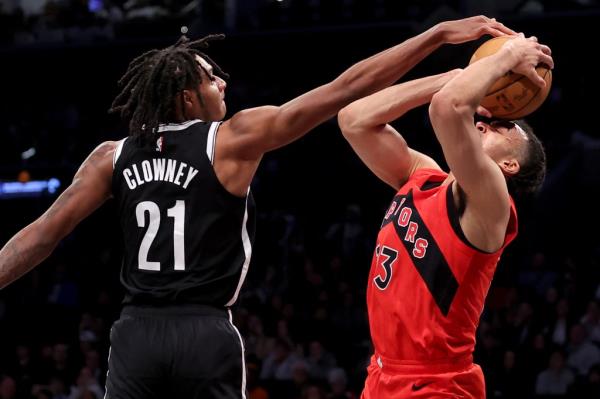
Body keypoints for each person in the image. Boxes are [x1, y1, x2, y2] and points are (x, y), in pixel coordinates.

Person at [0, 16, 515, 399]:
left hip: (136, 333)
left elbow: (40, 236)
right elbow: (346, 90)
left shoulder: (110, 156)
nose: (223, 83)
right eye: (209, 77)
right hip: (205, 331)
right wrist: (435, 36)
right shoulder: (230, 139)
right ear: (184, 97)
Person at [338, 34, 552, 398]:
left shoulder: (492, 204)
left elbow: (447, 109)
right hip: (381, 376)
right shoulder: (423, 177)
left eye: (504, 126)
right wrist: (451, 77)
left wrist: (507, 57)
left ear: (509, 165)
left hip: (437, 385)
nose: (486, 121)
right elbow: (353, 119)